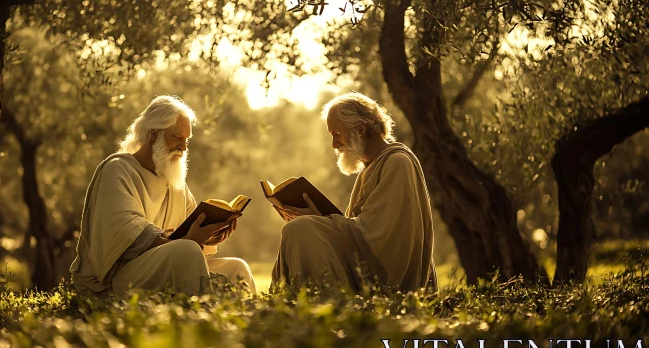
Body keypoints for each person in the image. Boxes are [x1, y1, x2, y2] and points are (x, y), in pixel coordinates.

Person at [70, 95, 256, 295]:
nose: (183, 148)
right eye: (177, 138)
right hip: (120, 275)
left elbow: (189, 231)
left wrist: (211, 236)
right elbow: (128, 239)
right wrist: (188, 241)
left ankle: (240, 323)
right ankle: (198, 320)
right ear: (152, 134)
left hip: (169, 260)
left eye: (186, 140)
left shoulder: (174, 180)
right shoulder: (118, 169)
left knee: (237, 268)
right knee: (187, 250)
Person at [272, 92, 437, 292]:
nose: (334, 144)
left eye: (337, 134)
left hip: (387, 276)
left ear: (360, 129)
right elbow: (357, 231)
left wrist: (321, 221)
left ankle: (324, 308)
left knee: (300, 229)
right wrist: (319, 219)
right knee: (300, 228)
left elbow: (378, 235)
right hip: (363, 259)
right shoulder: (370, 168)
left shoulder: (397, 162)